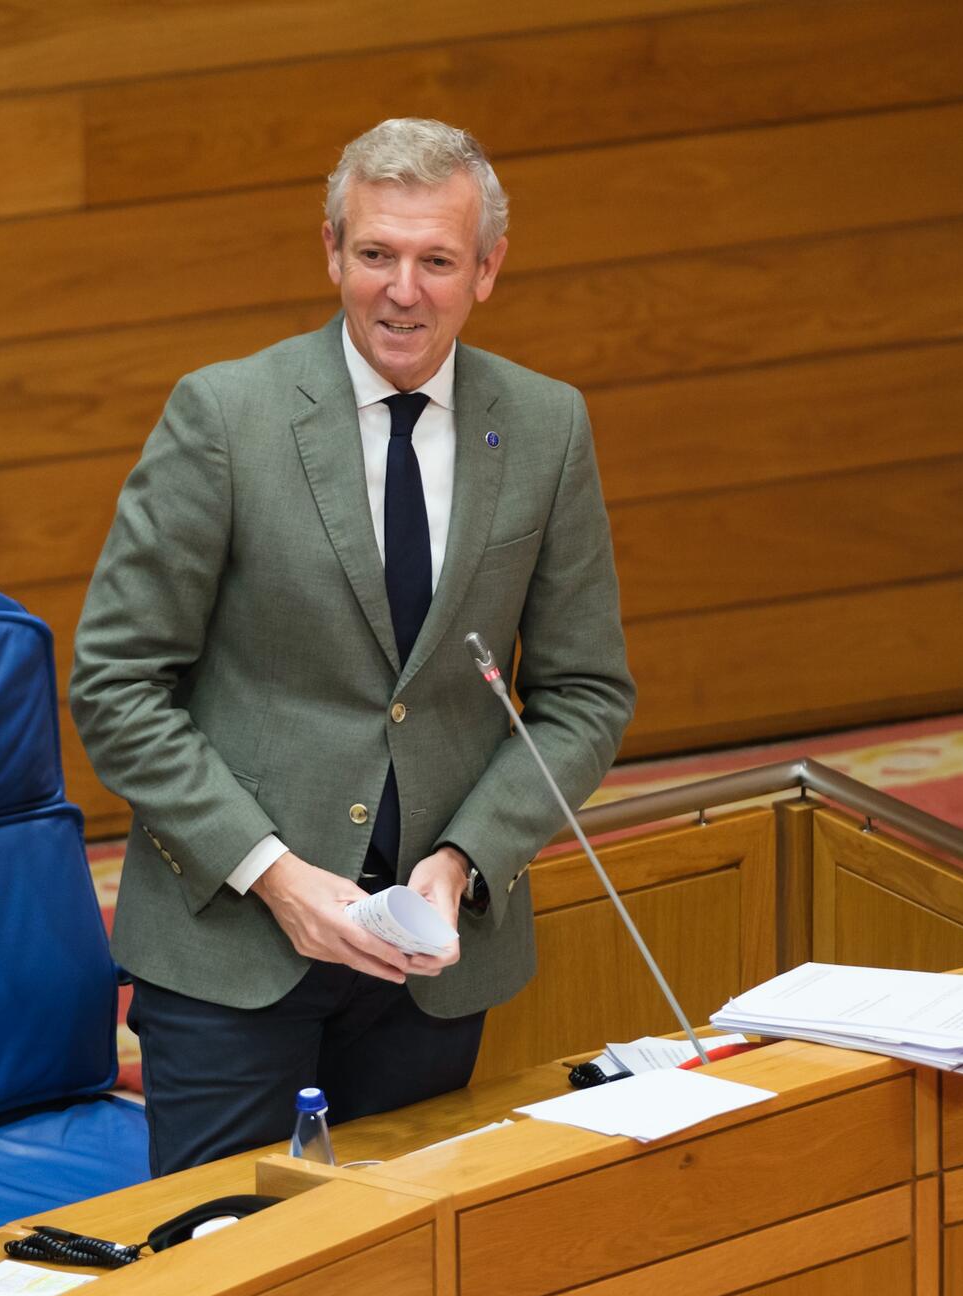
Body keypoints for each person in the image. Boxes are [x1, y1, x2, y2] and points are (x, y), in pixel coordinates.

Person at [72, 117, 635, 1173]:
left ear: (486, 270)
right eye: (375, 254)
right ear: (332, 251)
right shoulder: (224, 417)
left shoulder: (547, 427)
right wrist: (274, 872)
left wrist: (466, 857)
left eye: (435, 260)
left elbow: (584, 695)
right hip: (232, 948)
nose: (402, 290)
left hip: (428, 965)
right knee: (223, 1263)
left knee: (395, 1265)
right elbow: (115, 684)